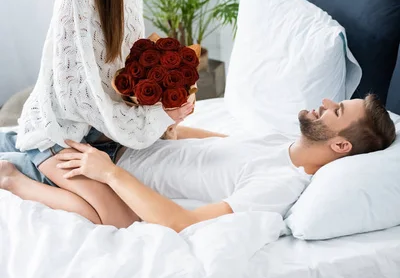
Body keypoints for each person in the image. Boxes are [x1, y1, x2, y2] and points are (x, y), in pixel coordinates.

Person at [0, 0, 196, 228]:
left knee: (132, 207)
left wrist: (160, 101)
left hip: (104, 130)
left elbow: (125, 61)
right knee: (115, 220)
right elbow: (80, 95)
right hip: (63, 130)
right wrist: (158, 119)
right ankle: (12, 175)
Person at [48, 94, 395, 232]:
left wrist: (108, 172)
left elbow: (183, 222)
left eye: (337, 111)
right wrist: (173, 129)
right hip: (125, 143)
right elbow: (216, 145)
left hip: (106, 170)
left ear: (341, 144)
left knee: (31, 154)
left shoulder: (280, 186)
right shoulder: (281, 142)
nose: (326, 101)